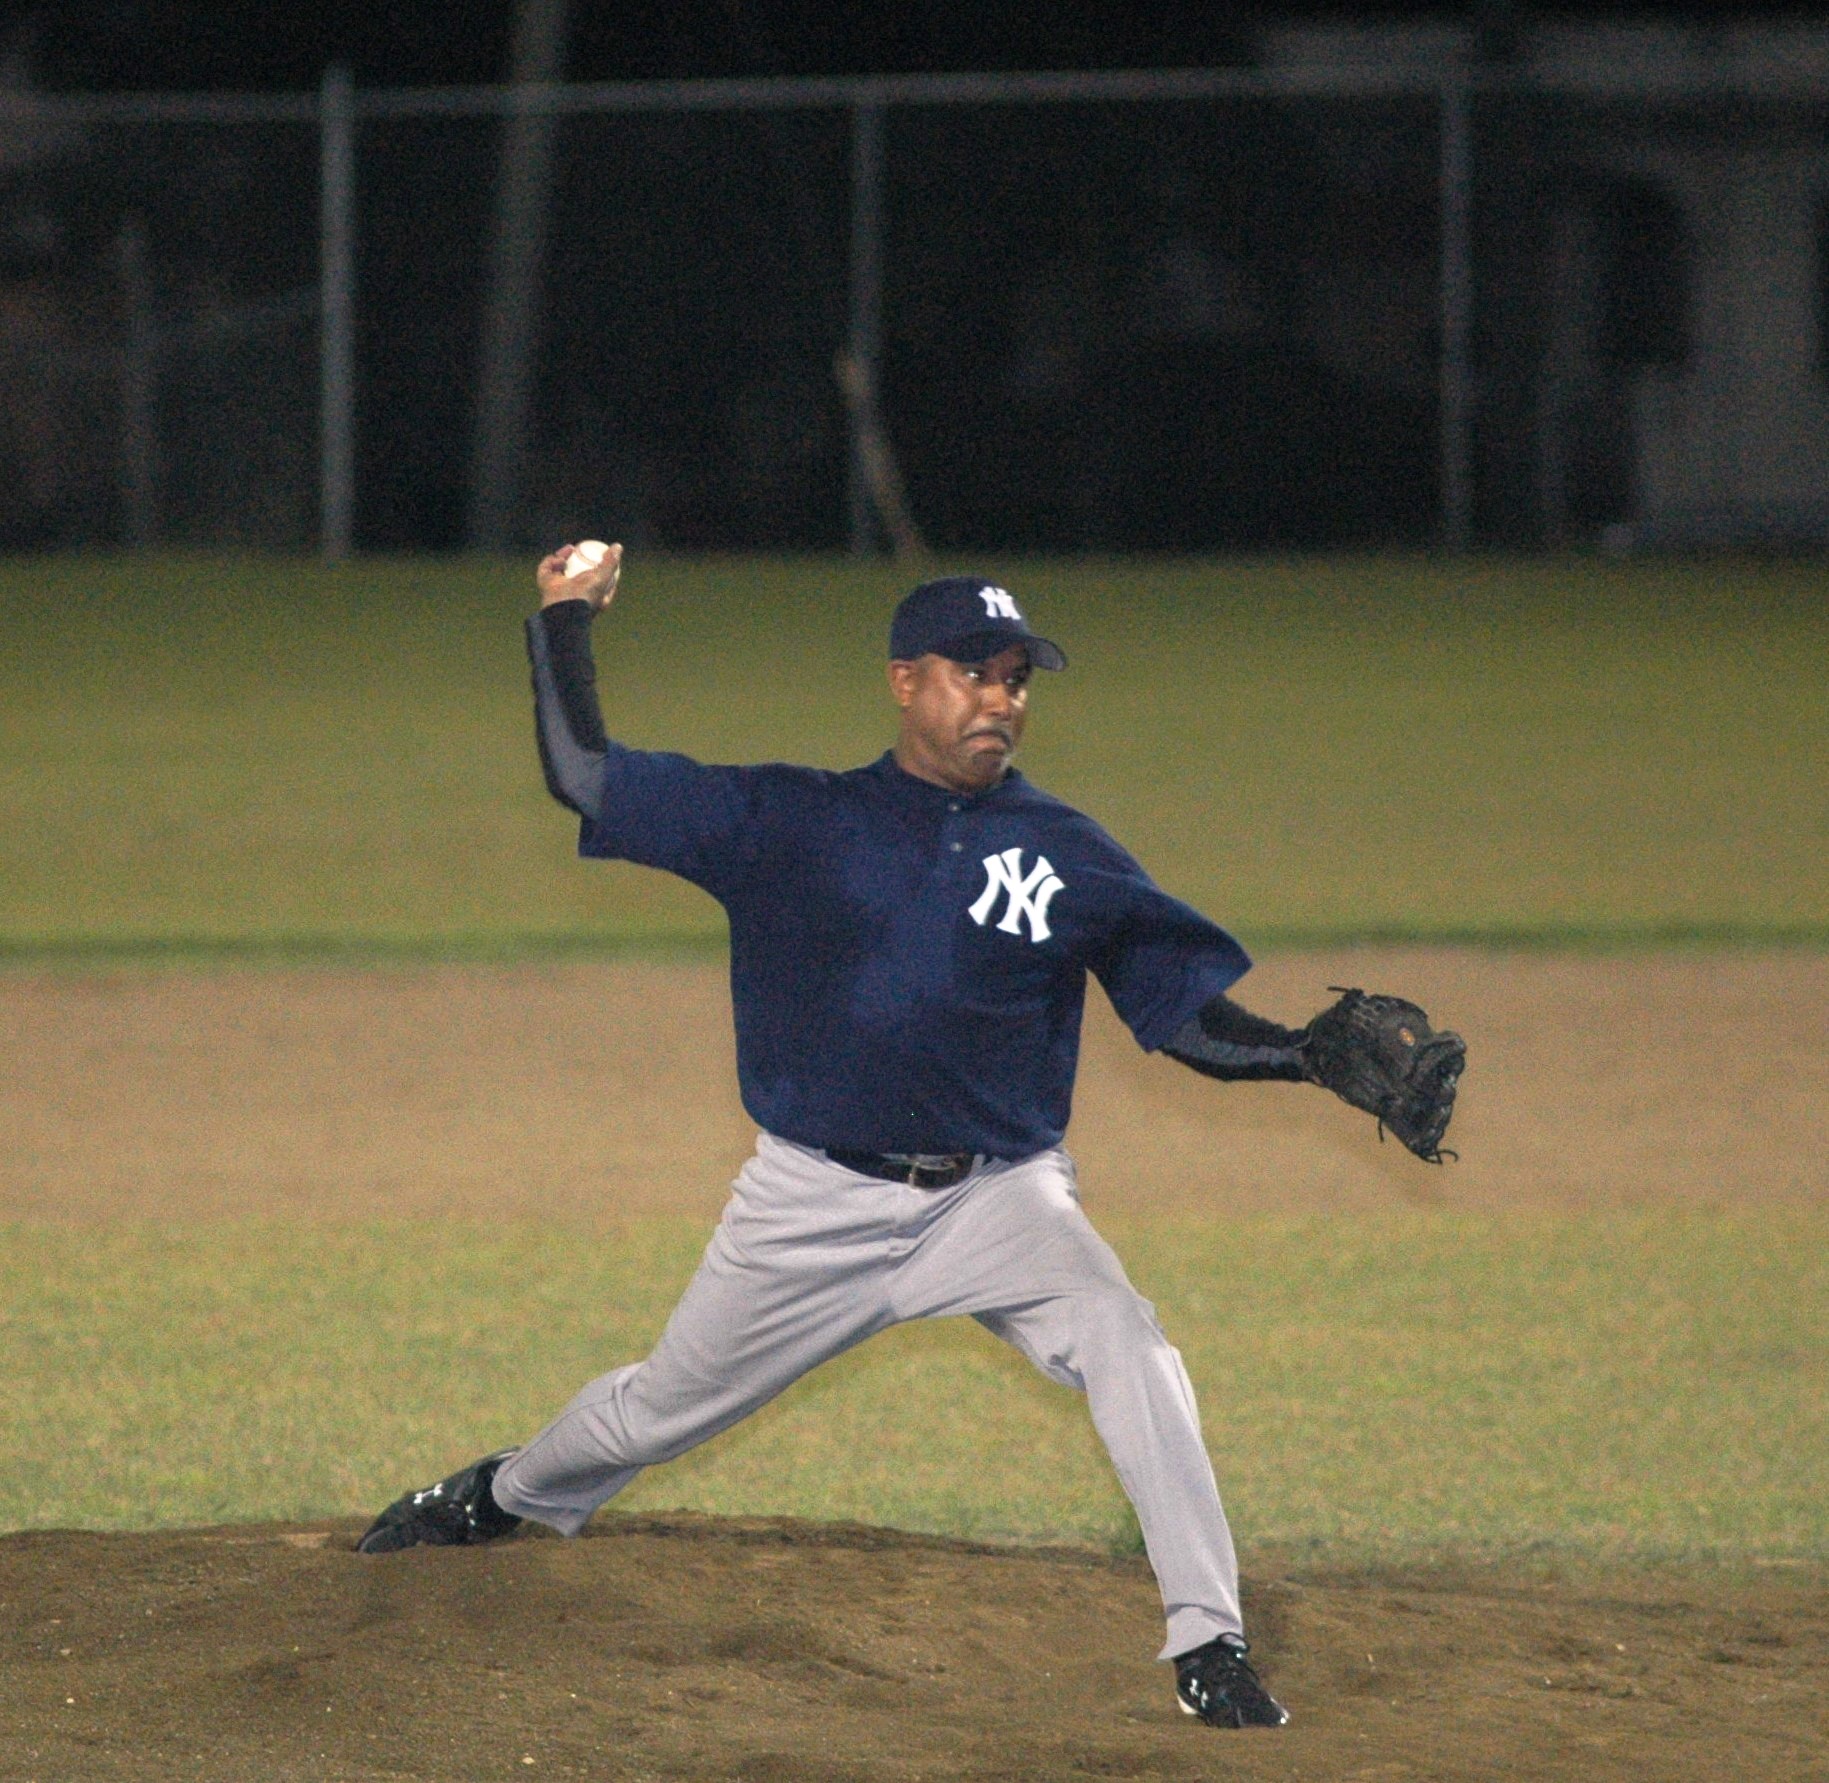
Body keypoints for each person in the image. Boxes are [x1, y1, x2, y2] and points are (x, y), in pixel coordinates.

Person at [358, 546, 1450, 1731]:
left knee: (1128, 1346)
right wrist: (565, 611)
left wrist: (1297, 1052)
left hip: (997, 1201)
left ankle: (1209, 1642)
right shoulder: (790, 820)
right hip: (807, 1204)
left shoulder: (1070, 852)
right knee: (656, 1408)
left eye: (1018, 678)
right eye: (975, 673)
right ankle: (503, 1494)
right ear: (902, 682)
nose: (1001, 699)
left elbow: (1180, 1013)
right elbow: (581, 774)